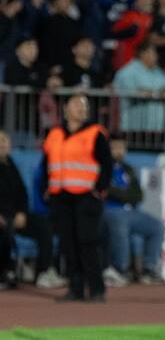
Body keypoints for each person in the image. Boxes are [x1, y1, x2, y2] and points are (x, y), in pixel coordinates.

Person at [41, 94, 112, 302]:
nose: (81, 108)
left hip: (86, 196)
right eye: (76, 104)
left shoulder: (95, 133)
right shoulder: (54, 133)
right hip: (60, 196)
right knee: (68, 244)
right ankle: (75, 288)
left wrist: (99, 190)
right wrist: (46, 187)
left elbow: (106, 165)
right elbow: (46, 163)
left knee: (87, 242)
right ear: (65, 109)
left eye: (84, 105)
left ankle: (97, 289)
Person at [0, 131, 64, 289]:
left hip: (16, 215)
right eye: (0, 141)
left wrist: (22, 212)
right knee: (3, 231)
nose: (3, 144)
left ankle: (43, 272)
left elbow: (22, 193)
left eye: (5, 141)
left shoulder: (11, 164)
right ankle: (5, 271)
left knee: (44, 225)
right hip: (2, 217)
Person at [102, 135, 164, 286]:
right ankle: (120, 269)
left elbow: (138, 195)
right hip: (108, 211)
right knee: (120, 223)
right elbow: (105, 190)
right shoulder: (102, 168)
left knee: (157, 226)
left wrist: (121, 194)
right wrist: (124, 195)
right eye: (115, 148)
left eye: (121, 148)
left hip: (130, 212)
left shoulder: (128, 169)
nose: (119, 151)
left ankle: (149, 269)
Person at [112, 43, 165, 134]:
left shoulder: (157, 72)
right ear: (143, 54)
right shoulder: (128, 71)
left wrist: (153, 92)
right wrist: (156, 93)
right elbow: (129, 92)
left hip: (156, 128)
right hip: (132, 127)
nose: (156, 56)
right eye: (153, 53)